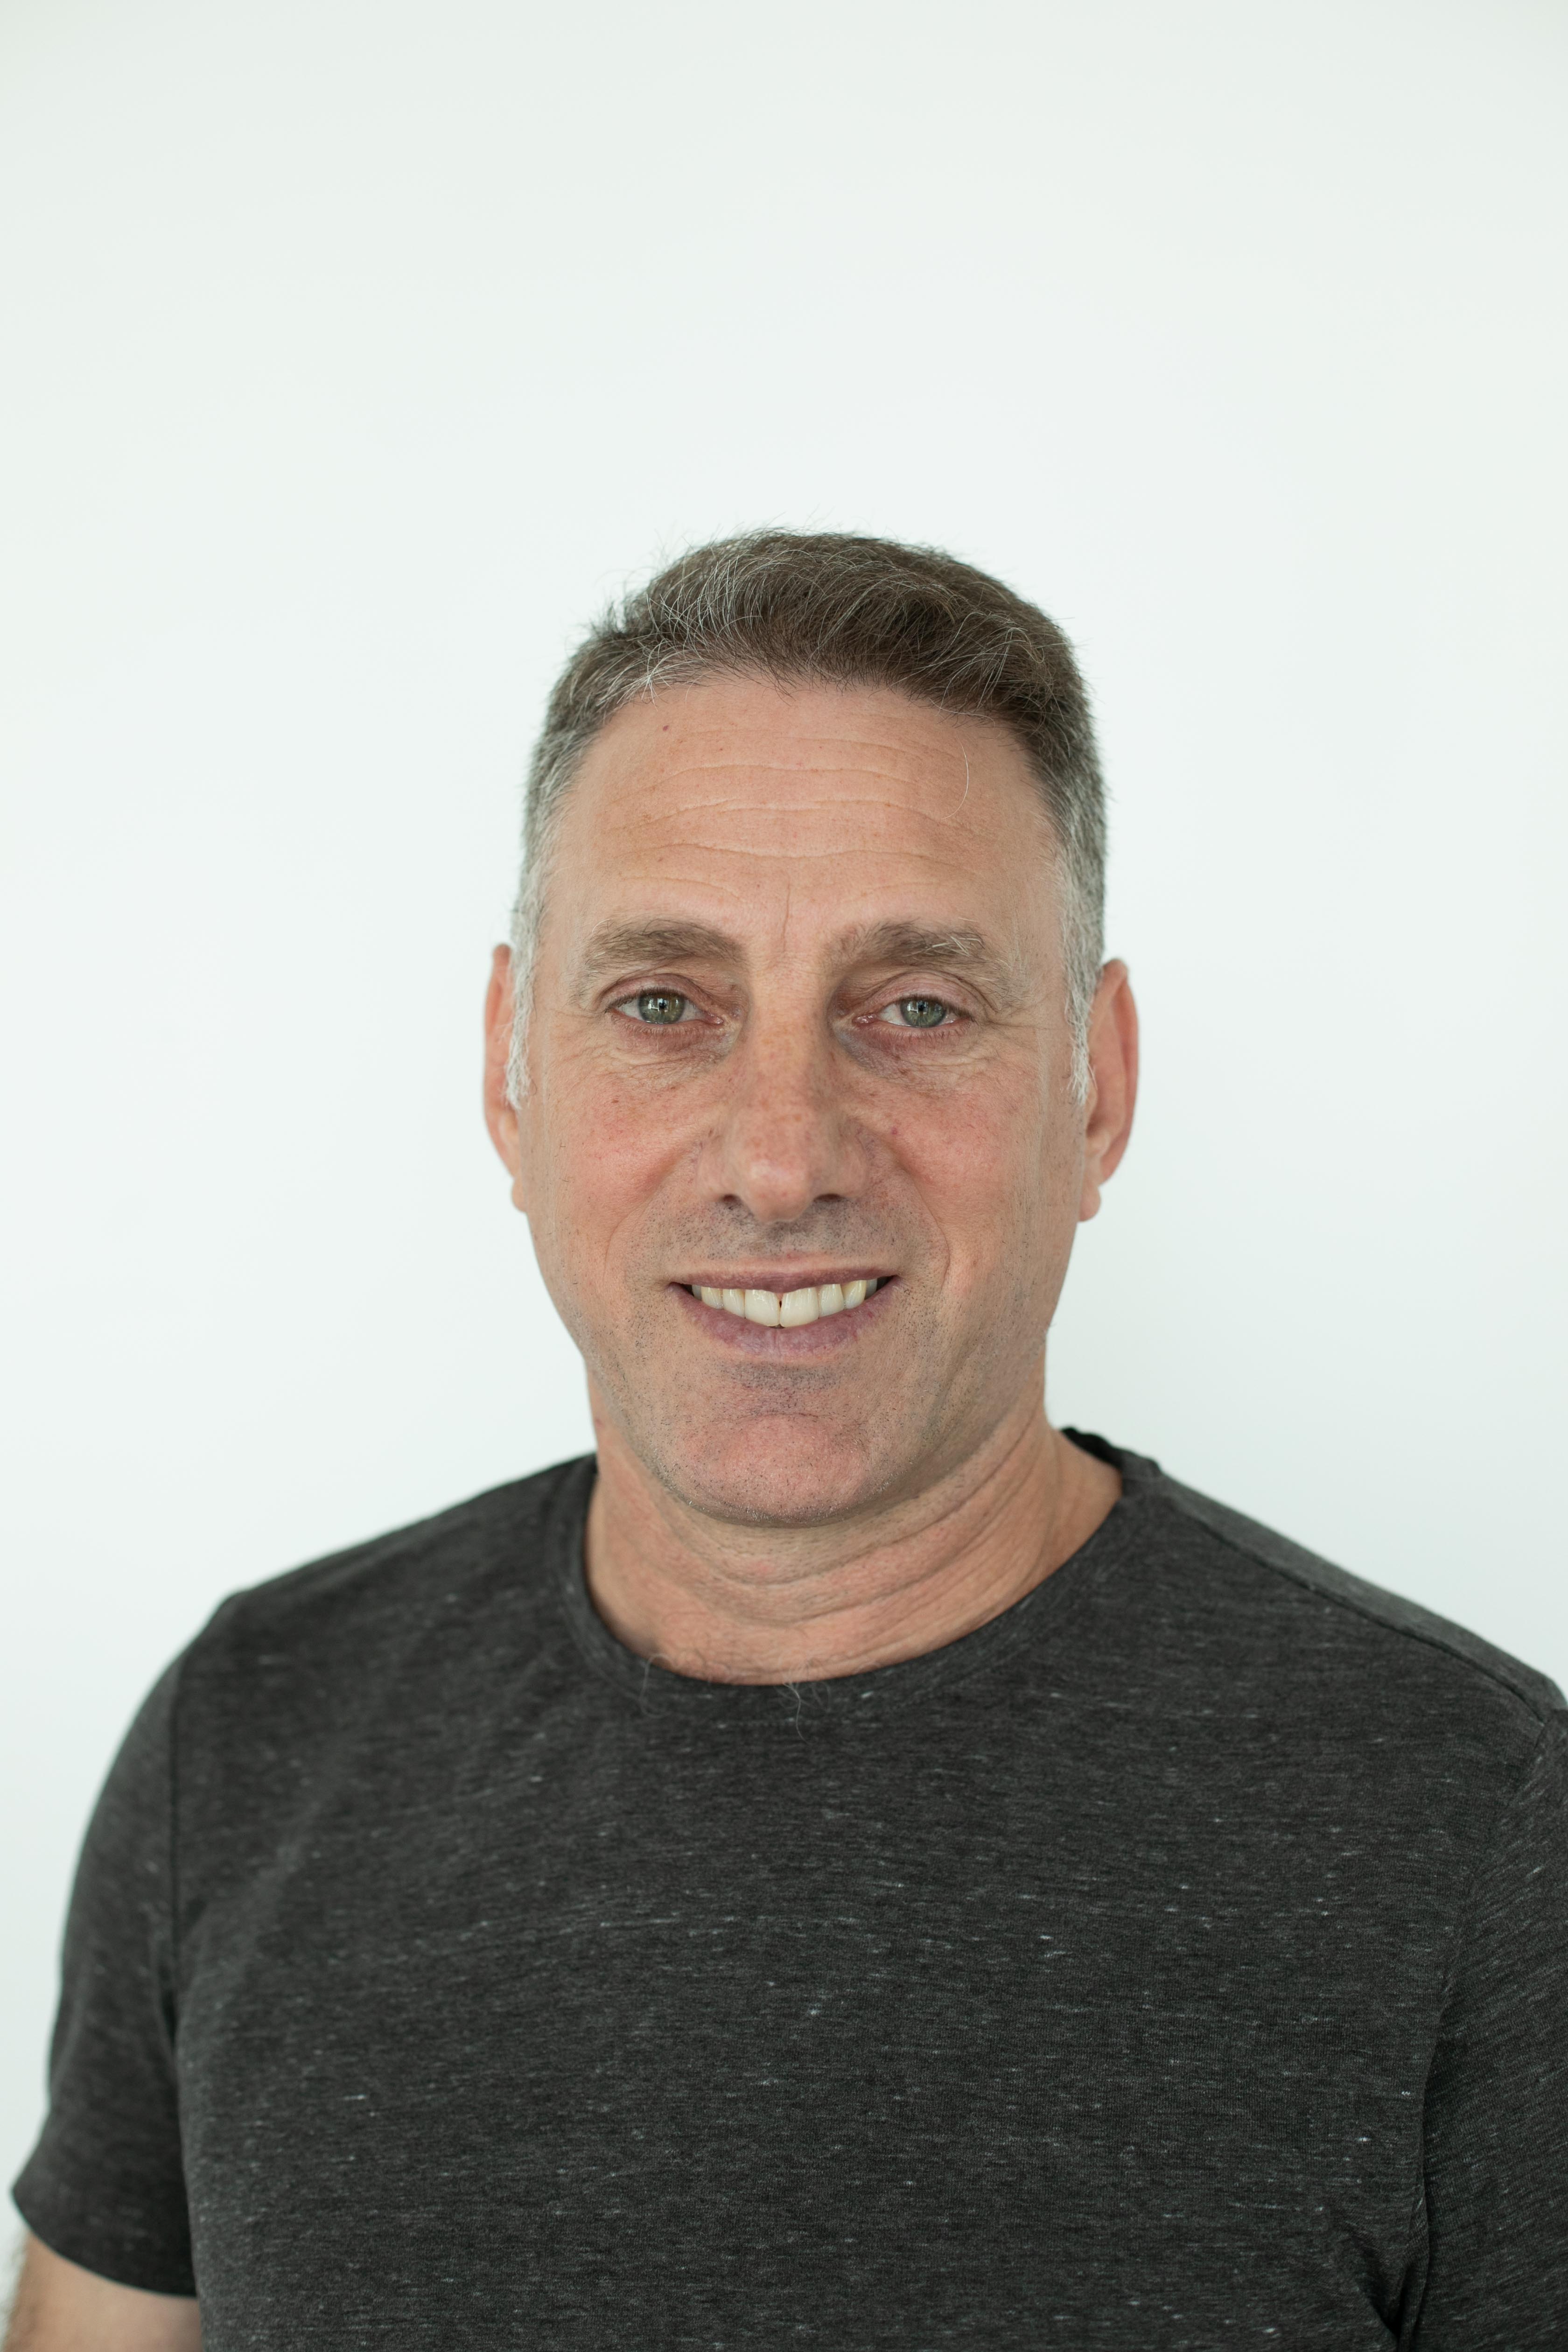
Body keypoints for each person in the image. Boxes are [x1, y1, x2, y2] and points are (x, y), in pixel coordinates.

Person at [8, 531, 1566, 2352]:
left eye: (917, 1008)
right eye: (663, 1005)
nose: (779, 1156)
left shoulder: (1486, 1832)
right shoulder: (247, 1742)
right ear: (512, 1069)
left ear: (1100, 1088)